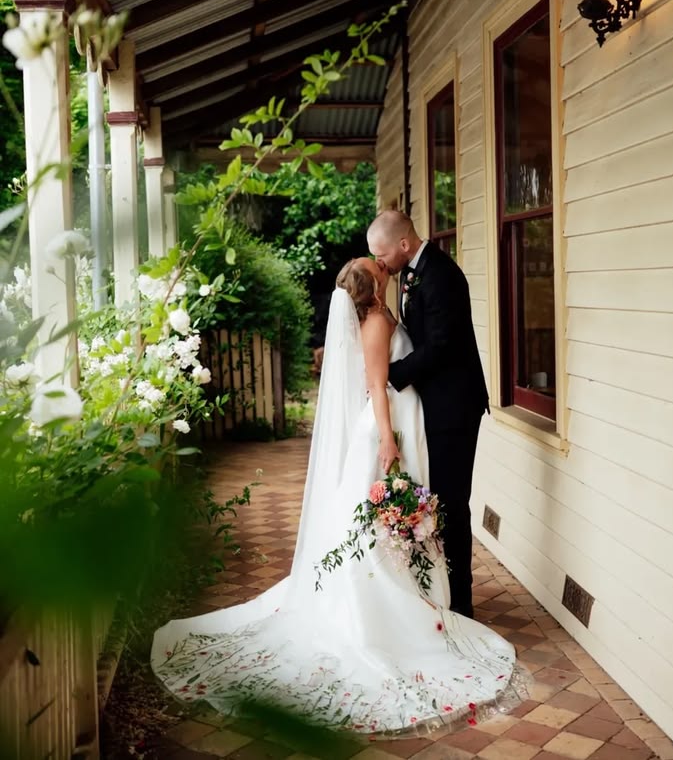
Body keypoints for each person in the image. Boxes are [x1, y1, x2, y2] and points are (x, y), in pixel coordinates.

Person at [151, 259, 519, 735]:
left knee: (381, 517)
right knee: (376, 518)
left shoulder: (381, 313)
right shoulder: (376, 323)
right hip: (389, 427)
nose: (383, 264)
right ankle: (386, 602)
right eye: (375, 265)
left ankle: (415, 591)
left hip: (403, 421)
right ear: (372, 285)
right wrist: (388, 438)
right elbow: (376, 385)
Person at [367, 211, 488, 619]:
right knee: (439, 500)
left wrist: (389, 375)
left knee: (453, 503)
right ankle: (442, 590)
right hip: (432, 404)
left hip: (454, 407)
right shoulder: (410, 272)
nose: (379, 263)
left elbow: (439, 347)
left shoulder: (442, 277)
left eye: (381, 254)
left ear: (404, 244)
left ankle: (463, 604)